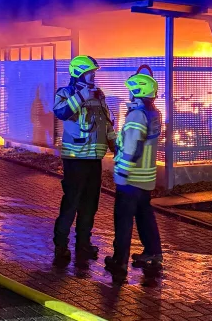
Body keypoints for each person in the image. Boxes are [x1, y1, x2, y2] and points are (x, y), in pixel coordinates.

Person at [51, 55, 116, 264]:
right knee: (71, 203)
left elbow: (107, 124)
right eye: (90, 72)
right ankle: (61, 245)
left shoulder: (99, 94)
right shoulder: (65, 93)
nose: (93, 75)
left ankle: (83, 244)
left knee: (90, 204)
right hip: (75, 159)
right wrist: (81, 96)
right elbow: (60, 112)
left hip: (94, 159)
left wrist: (116, 147)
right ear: (79, 72)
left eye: (94, 72)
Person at [104, 67, 163, 279]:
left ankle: (119, 262)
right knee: (145, 217)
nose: (129, 94)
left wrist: (122, 171)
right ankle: (154, 254)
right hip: (147, 178)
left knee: (123, 221)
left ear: (137, 91)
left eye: (131, 91)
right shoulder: (154, 113)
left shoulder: (137, 115)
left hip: (131, 179)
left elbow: (132, 147)